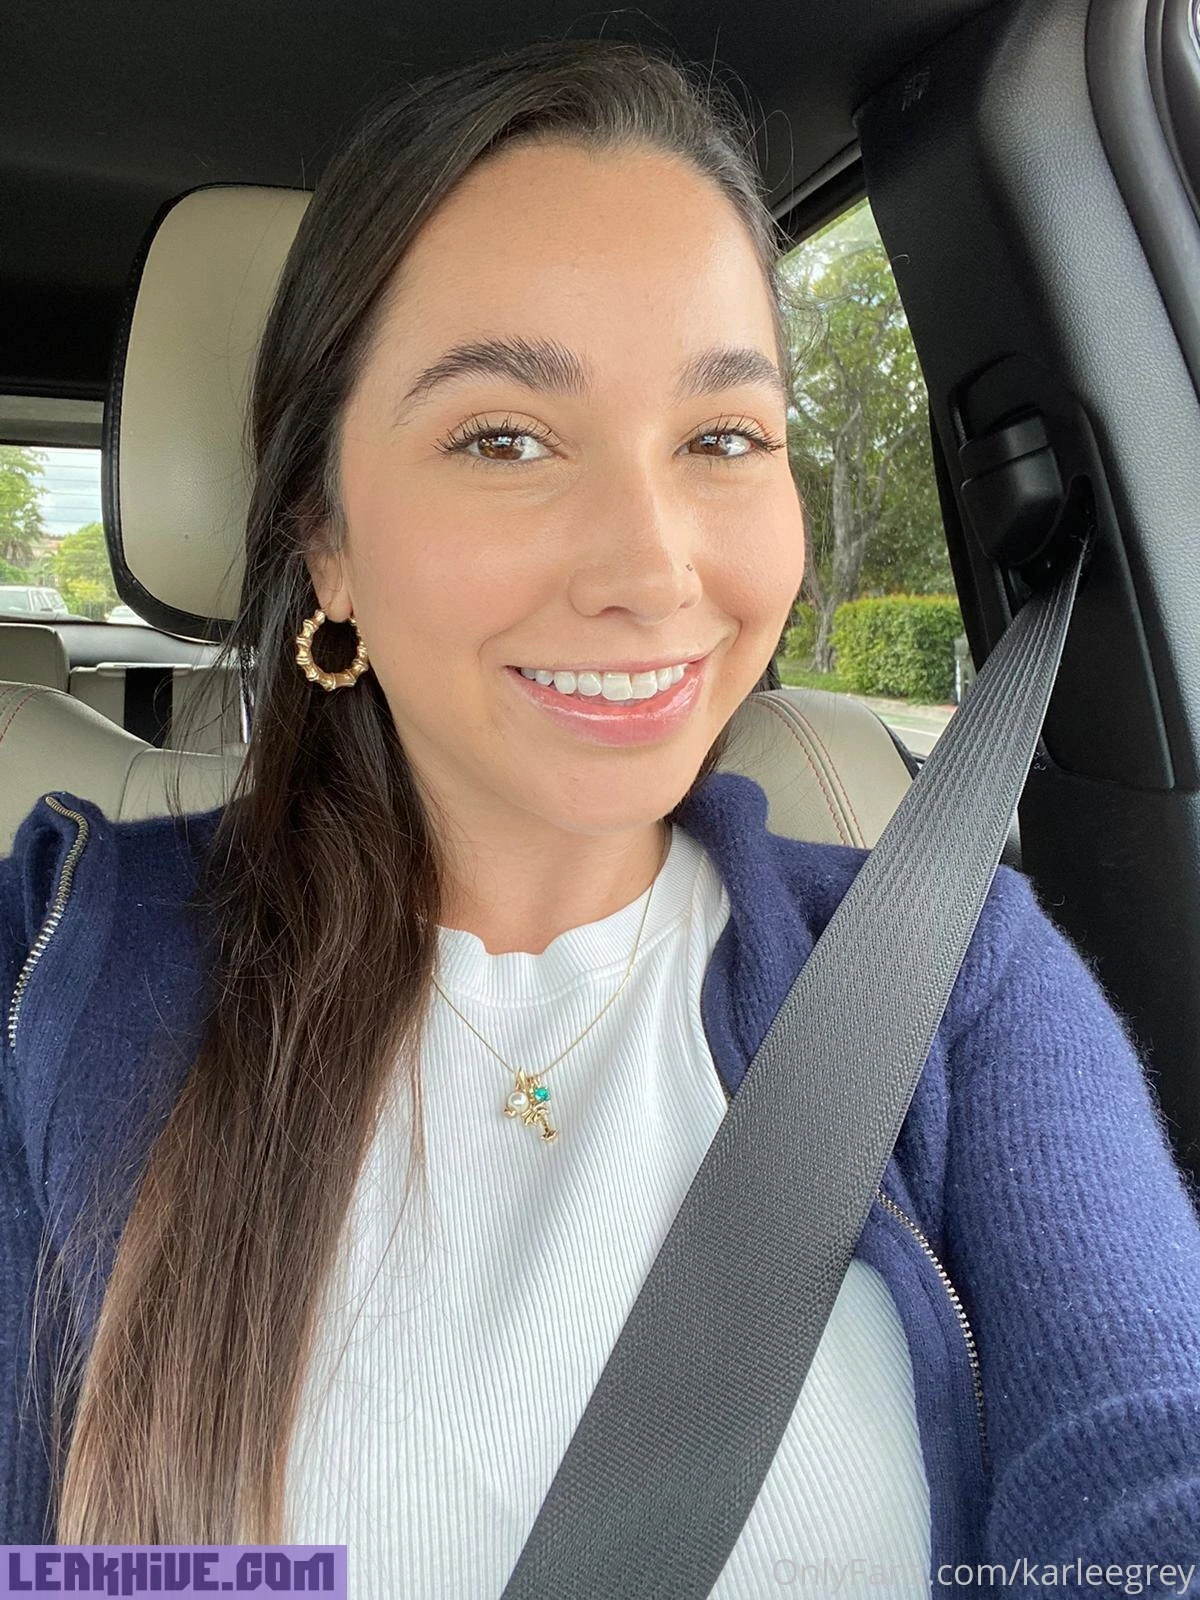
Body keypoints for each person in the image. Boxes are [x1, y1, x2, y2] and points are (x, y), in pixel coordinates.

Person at [2, 35, 1199, 1597]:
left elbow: (1149, 1459)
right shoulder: (51, 968)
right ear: (327, 541)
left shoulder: (951, 974)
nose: (650, 568)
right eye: (503, 438)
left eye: (723, 439)